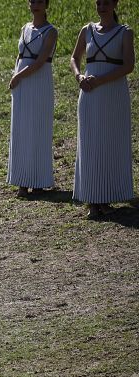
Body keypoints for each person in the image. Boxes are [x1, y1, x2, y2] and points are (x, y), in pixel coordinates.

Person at [70, 0, 135, 219]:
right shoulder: (86, 30)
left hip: (113, 95)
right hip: (89, 94)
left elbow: (128, 66)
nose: (102, 6)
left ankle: (106, 197)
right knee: (90, 144)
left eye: (107, 2)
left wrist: (101, 80)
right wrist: (79, 76)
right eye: (99, 2)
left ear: (115, 3)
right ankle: (92, 200)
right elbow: (74, 57)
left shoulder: (125, 32)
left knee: (110, 143)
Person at [7, 0, 58, 197]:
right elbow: (20, 56)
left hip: (38, 81)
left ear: (46, 5)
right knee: (21, 128)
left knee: (37, 127)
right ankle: (22, 181)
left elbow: (40, 61)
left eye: (40, 1)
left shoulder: (51, 31)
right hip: (21, 83)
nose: (35, 4)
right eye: (32, 1)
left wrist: (18, 76)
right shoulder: (25, 28)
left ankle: (38, 181)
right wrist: (16, 74)